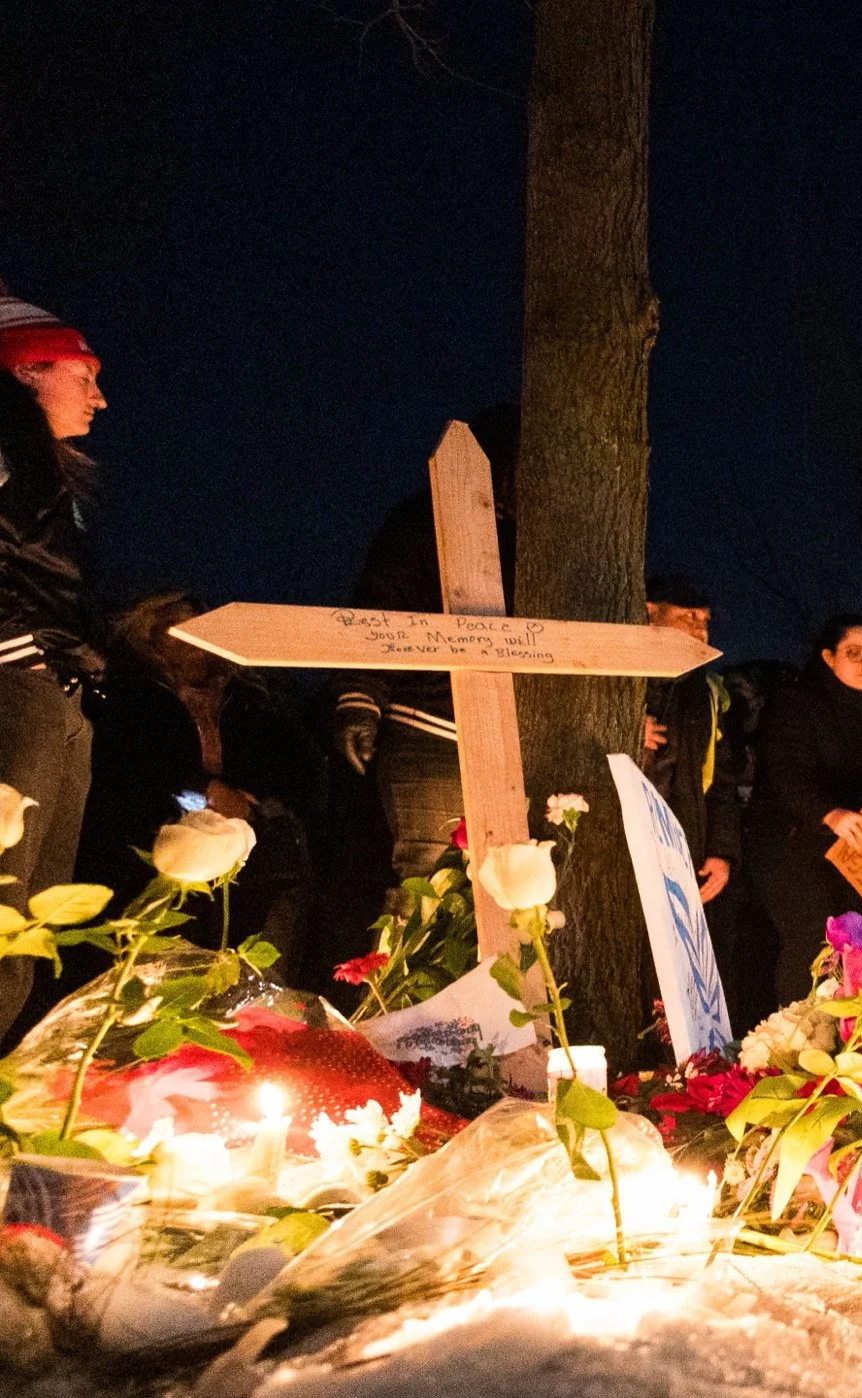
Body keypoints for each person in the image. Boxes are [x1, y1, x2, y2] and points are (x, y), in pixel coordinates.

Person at [79, 592, 321, 966]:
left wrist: (254, 803)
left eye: (199, 629)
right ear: (152, 638)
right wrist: (203, 794)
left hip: (247, 841)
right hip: (163, 844)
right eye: (179, 630)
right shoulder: (130, 693)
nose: (193, 641)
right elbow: (133, 768)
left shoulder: (248, 693)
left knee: (287, 859)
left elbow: (297, 764)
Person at [330, 403, 518, 879]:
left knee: (511, 892)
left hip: (511, 739)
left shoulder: (533, 541)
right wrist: (361, 697)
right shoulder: (420, 523)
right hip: (429, 731)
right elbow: (380, 611)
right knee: (428, 889)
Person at [0, 285, 108, 1036]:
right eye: (85, 375)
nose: (100, 400)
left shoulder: (40, 470)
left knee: (28, 931)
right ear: (29, 369)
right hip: (14, 683)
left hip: (51, 692)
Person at [747, 614, 862, 1003]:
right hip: (793, 845)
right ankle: (796, 1037)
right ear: (828, 657)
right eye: (854, 653)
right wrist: (829, 812)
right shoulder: (796, 703)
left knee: (861, 942)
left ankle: (849, 1042)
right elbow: (786, 771)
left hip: (857, 852)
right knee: (812, 942)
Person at [637, 574, 739, 907]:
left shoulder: (708, 693)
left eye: (705, 620)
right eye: (688, 617)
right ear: (651, 613)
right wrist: (627, 733)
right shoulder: (623, 679)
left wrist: (722, 852)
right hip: (627, 845)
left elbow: (722, 781)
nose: (701, 630)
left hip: (685, 850)